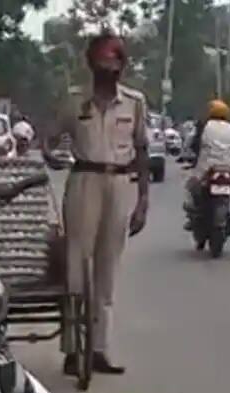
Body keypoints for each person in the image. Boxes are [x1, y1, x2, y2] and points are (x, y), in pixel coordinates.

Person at [42, 32, 149, 375]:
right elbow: (50, 137)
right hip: (84, 181)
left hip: (119, 183)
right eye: (103, 60)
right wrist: (49, 153)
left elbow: (143, 149)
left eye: (116, 60)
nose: (110, 67)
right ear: (91, 64)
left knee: (107, 269)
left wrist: (143, 200)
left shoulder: (134, 102)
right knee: (76, 265)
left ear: (122, 65)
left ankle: (99, 349)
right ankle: (73, 350)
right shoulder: (75, 102)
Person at [183, 99, 230, 233]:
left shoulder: (204, 126)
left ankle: (192, 215)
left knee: (191, 186)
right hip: (228, 168)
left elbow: (192, 143)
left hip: (206, 167)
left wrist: (187, 153)